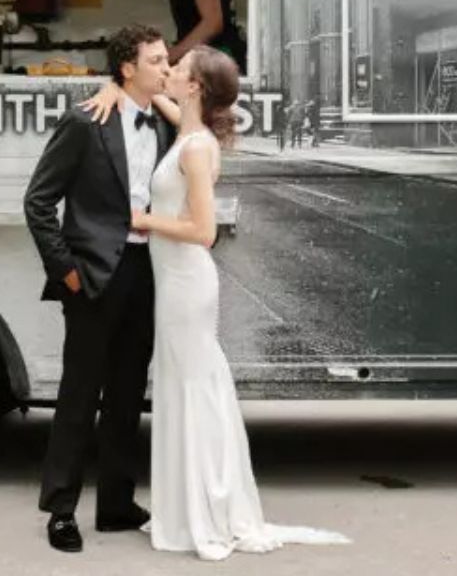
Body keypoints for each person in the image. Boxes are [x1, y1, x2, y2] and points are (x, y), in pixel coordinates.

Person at [82, 49, 350, 561]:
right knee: (186, 389)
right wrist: (117, 89)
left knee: (192, 389)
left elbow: (202, 232)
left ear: (197, 87)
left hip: (186, 283)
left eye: (178, 70)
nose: (169, 73)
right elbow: (155, 96)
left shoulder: (196, 148)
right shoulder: (186, 128)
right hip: (175, 283)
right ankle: (190, 506)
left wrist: (143, 221)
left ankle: (203, 510)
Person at [23, 24, 174, 553]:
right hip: (91, 276)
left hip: (145, 271)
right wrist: (66, 272)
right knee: (79, 395)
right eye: (156, 60)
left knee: (129, 393)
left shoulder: (165, 124)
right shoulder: (85, 123)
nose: (166, 68)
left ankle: (115, 504)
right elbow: (38, 202)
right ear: (127, 67)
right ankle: (60, 511)